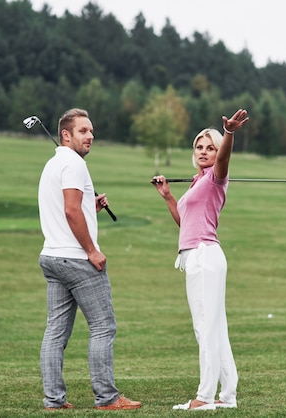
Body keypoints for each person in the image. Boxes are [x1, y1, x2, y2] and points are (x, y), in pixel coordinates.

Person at [37, 108, 141, 411]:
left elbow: (69, 208)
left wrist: (88, 206)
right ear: (66, 135)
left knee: (55, 332)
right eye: (83, 131)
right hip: (77, 261)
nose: (91, 136)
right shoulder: (74, 165)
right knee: (103, 327)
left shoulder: (53, 163)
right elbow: (70, 211)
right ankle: (107, 398)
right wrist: (92, 251)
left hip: (52, 257)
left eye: (91, 131)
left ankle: (53, 401)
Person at [151, 109, 250, 411]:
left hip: (206, 257)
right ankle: (228, 395)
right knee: (214, 327)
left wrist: (229, 134)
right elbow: (186, 223)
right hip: (197, 255)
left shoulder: (216, 178)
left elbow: (223, 161)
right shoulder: (198, 182)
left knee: (205, 327)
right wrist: (168, 196)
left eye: (211, 147)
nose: (205, 152)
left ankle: (205, 396)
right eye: (200, 147)